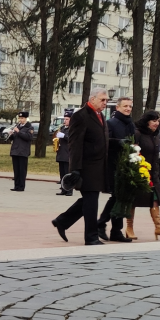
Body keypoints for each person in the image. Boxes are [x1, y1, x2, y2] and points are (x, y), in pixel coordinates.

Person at [52, 87, 110, 246]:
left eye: (106, 100)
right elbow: (75, 144)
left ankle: (62, 221)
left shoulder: (100, 115)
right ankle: (91, 237)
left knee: (89, 200)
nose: (105, 103)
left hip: (99, 166)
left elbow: (101, 140)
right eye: (102, 100)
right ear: (92, 99)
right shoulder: (81, 116)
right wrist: (75, 169)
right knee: (91, 202)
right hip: (86, 166)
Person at [131, 110, 160, 240]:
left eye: (158, 121)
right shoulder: (138, 133)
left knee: (155, 199)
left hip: (153, 172)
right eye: (154, 121)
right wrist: (138, 168)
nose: (157, 123)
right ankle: (129, 228)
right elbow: (133, 153)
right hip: (139, 172)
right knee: (133, 200)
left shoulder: (155, 135)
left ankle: (159, 228)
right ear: (146, 121)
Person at [99, 96, 135, 242]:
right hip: (114, 165)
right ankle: (102, 223)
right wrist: (119, 142)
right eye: (125, 106)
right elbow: (105, 142)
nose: (128, 109)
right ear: (117, 107)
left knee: (122, 197)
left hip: (127, 165)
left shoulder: (130, 124)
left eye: (130, 106)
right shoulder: (111, 123)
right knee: (116, 196)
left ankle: (115, 230)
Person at [6, 112, 34, 192]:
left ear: (26, 118)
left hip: (23, 151)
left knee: (22, 170)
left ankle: (21, 186)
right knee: (16, 170)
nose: (20, 120)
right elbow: (14, 138)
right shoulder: (17, 126)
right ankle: (16, 185)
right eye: (20, 118)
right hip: (15, 150)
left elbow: (28, 137)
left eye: (22, 118)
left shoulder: (29, 127)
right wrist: (11, 134)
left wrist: (19, 132)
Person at [55, 111, 72, 196]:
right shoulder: (62, 128)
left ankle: (69, 190)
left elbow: (72, 139)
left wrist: (64, 136)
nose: (65, 121)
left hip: (68, 153)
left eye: (67, 119)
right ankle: (63, 189)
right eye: (64, 119)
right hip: (61, 153)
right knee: (62, 173)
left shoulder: (73, 128)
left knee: (67, 173)